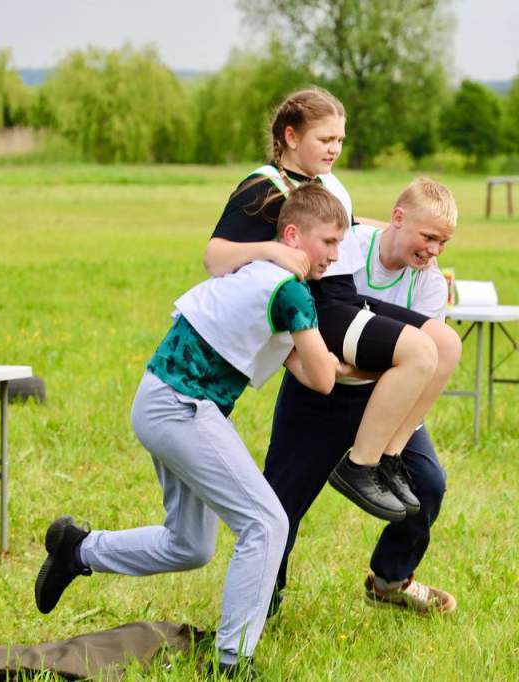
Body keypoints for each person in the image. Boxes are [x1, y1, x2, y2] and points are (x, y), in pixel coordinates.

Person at [33, 184, 351, 676]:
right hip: (182, 406)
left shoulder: (261, 277)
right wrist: (347, 360)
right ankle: (233, 662)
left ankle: (76, 549)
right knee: (266, 524)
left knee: (190, 545)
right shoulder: (290, 292)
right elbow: (325, 379)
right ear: (292, 235)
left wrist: (323, 360)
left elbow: (305, 369)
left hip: (160, 401)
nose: (335, 254)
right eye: (328, 242)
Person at [204, 87, 460, 522]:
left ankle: (388, 457)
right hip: (320, 310)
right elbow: (215, 257)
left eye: (340, 140)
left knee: (446, 344)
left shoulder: (329, 185)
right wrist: (271, 253)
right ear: (290, 136)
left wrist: (417, 233)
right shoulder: (262, 188)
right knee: (417, 352)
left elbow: (352, 225)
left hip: (346, 298)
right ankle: (359, 467)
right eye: (325, 140)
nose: (335, 149)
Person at [266, 178, 460, 616]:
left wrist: (386, 366)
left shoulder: (430, 285)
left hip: (387, 399)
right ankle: (263, 596)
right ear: (397, 219)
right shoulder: (349, 247)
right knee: (282, 497)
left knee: (428, 484)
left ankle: (390, 580)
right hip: (321, 388)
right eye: (428, 237)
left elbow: (418, 367)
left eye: (443, 242)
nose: (433, 251)